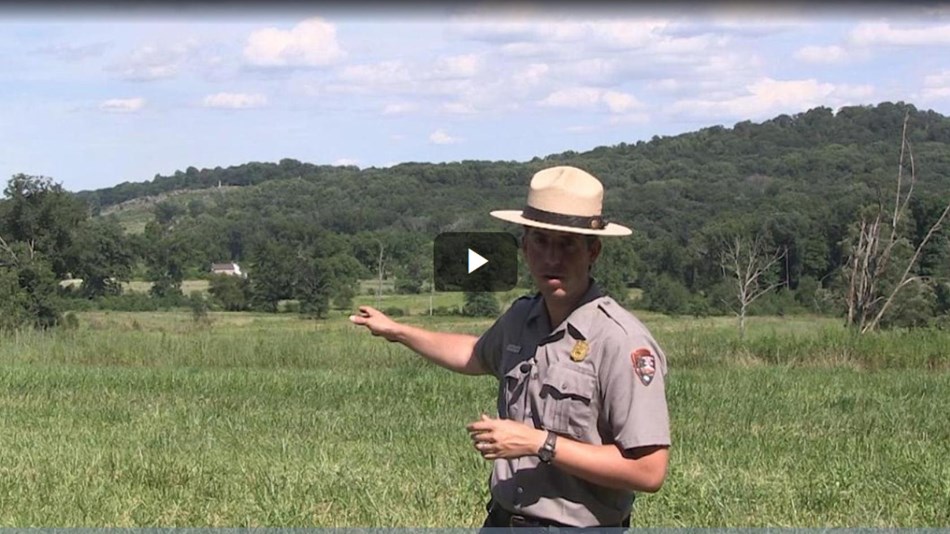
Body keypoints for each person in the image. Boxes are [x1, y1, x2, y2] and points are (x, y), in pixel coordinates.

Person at [350, 166, 670, 528]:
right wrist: (396, 331)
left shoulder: (620, 340)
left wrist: (540, 443)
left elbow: (648, 470)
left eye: (567, 244)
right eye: (541, 240)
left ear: (592, 250)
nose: (552, 257)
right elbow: (474, 354)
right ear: (524, 247)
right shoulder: (523, 317)